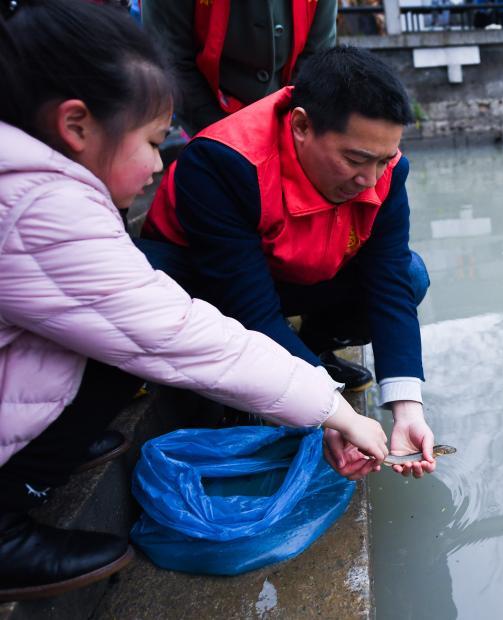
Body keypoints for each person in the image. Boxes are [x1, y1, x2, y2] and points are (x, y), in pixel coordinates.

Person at [0, 0, 387, 601]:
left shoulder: (28, 178)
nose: (159, 164)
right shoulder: (41, 208)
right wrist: (337, 411)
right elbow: (175, 336)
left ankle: (57, 436)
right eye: (152, 142)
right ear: (76, 126)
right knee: (125, 341)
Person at [142, 46, 438, 482]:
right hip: (213, 279)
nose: (370, 180)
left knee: (410, 275)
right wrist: (329, 408)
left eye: (384, 159)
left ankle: (314, 349)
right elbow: (248, 306)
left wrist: (407, 406)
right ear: (300, 125)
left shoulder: (388, 170)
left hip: (298, 270)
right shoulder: (222, 162)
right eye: (355, 160)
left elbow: (389, 279)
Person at [142, 0, 338, 134]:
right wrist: (224, 138)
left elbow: (316, 58)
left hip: (288, 123)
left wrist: (289, 129)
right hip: (211, 122)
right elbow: (174, 62)